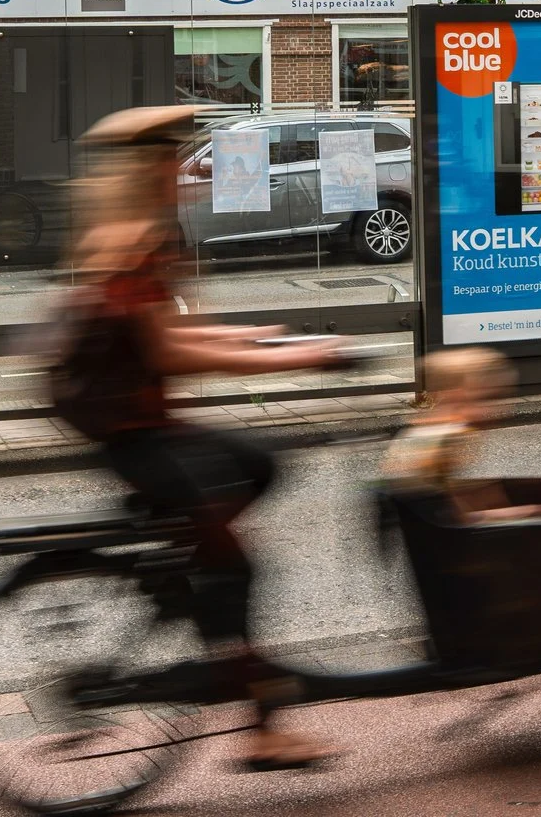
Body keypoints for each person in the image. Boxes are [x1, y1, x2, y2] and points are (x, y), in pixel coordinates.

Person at [63, 104, 346, 771]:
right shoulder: (134, 240)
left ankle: (186, 562)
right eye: (177, 157)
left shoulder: (132, 233)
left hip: (141, 426)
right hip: (138, 434)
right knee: (237, 565)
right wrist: (292, 360)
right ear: (151, 168)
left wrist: (262, 336)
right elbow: (168, 354)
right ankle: (262, 724)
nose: (191, 168)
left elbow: (167, 334)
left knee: (259, 463)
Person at [381, 348, 541, 522]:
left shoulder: (425, 428)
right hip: (440, 535)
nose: (502, 409)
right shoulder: (452, 437)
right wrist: (530, 512)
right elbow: (462, 518)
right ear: (455, 395)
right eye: (488, 398)